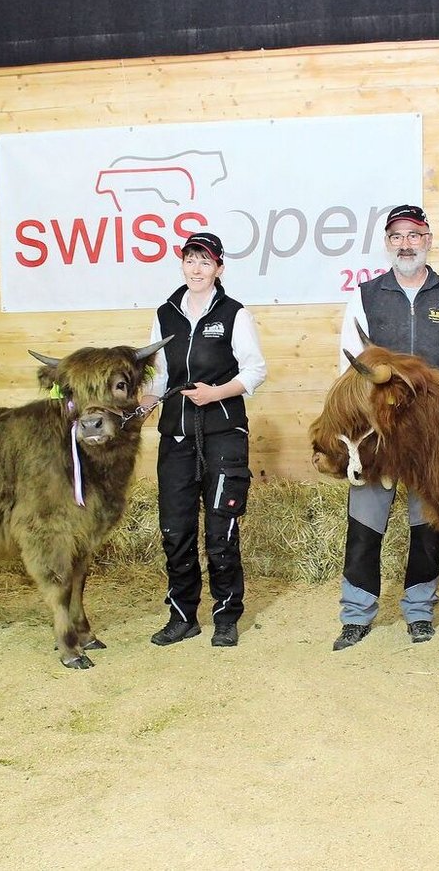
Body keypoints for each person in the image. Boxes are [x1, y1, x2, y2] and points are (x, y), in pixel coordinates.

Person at [332, 203, 439, 651]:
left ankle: (419, 611)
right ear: (387, 243)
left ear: (428, 240)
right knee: (365, 522)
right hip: (378, 435)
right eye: (397, 236)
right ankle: (356, 614)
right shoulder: (366, 296)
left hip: (436, 438)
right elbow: (349, 370)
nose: (406, 244)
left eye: (414, 235)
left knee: (427, 527)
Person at [140, 231, 268, 648]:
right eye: (190, 260)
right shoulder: (165, 314)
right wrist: (139, 408)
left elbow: (254, 371)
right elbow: (158, 378)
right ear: (182, 265)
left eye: (205, 262)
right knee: (175, 530)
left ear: (219, 268)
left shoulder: (234, 314)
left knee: (220, 530)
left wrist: (216, 393)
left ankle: (226, 616)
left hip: (223, 432)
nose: (197, 269)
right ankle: (182, 616)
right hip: (176, 435)